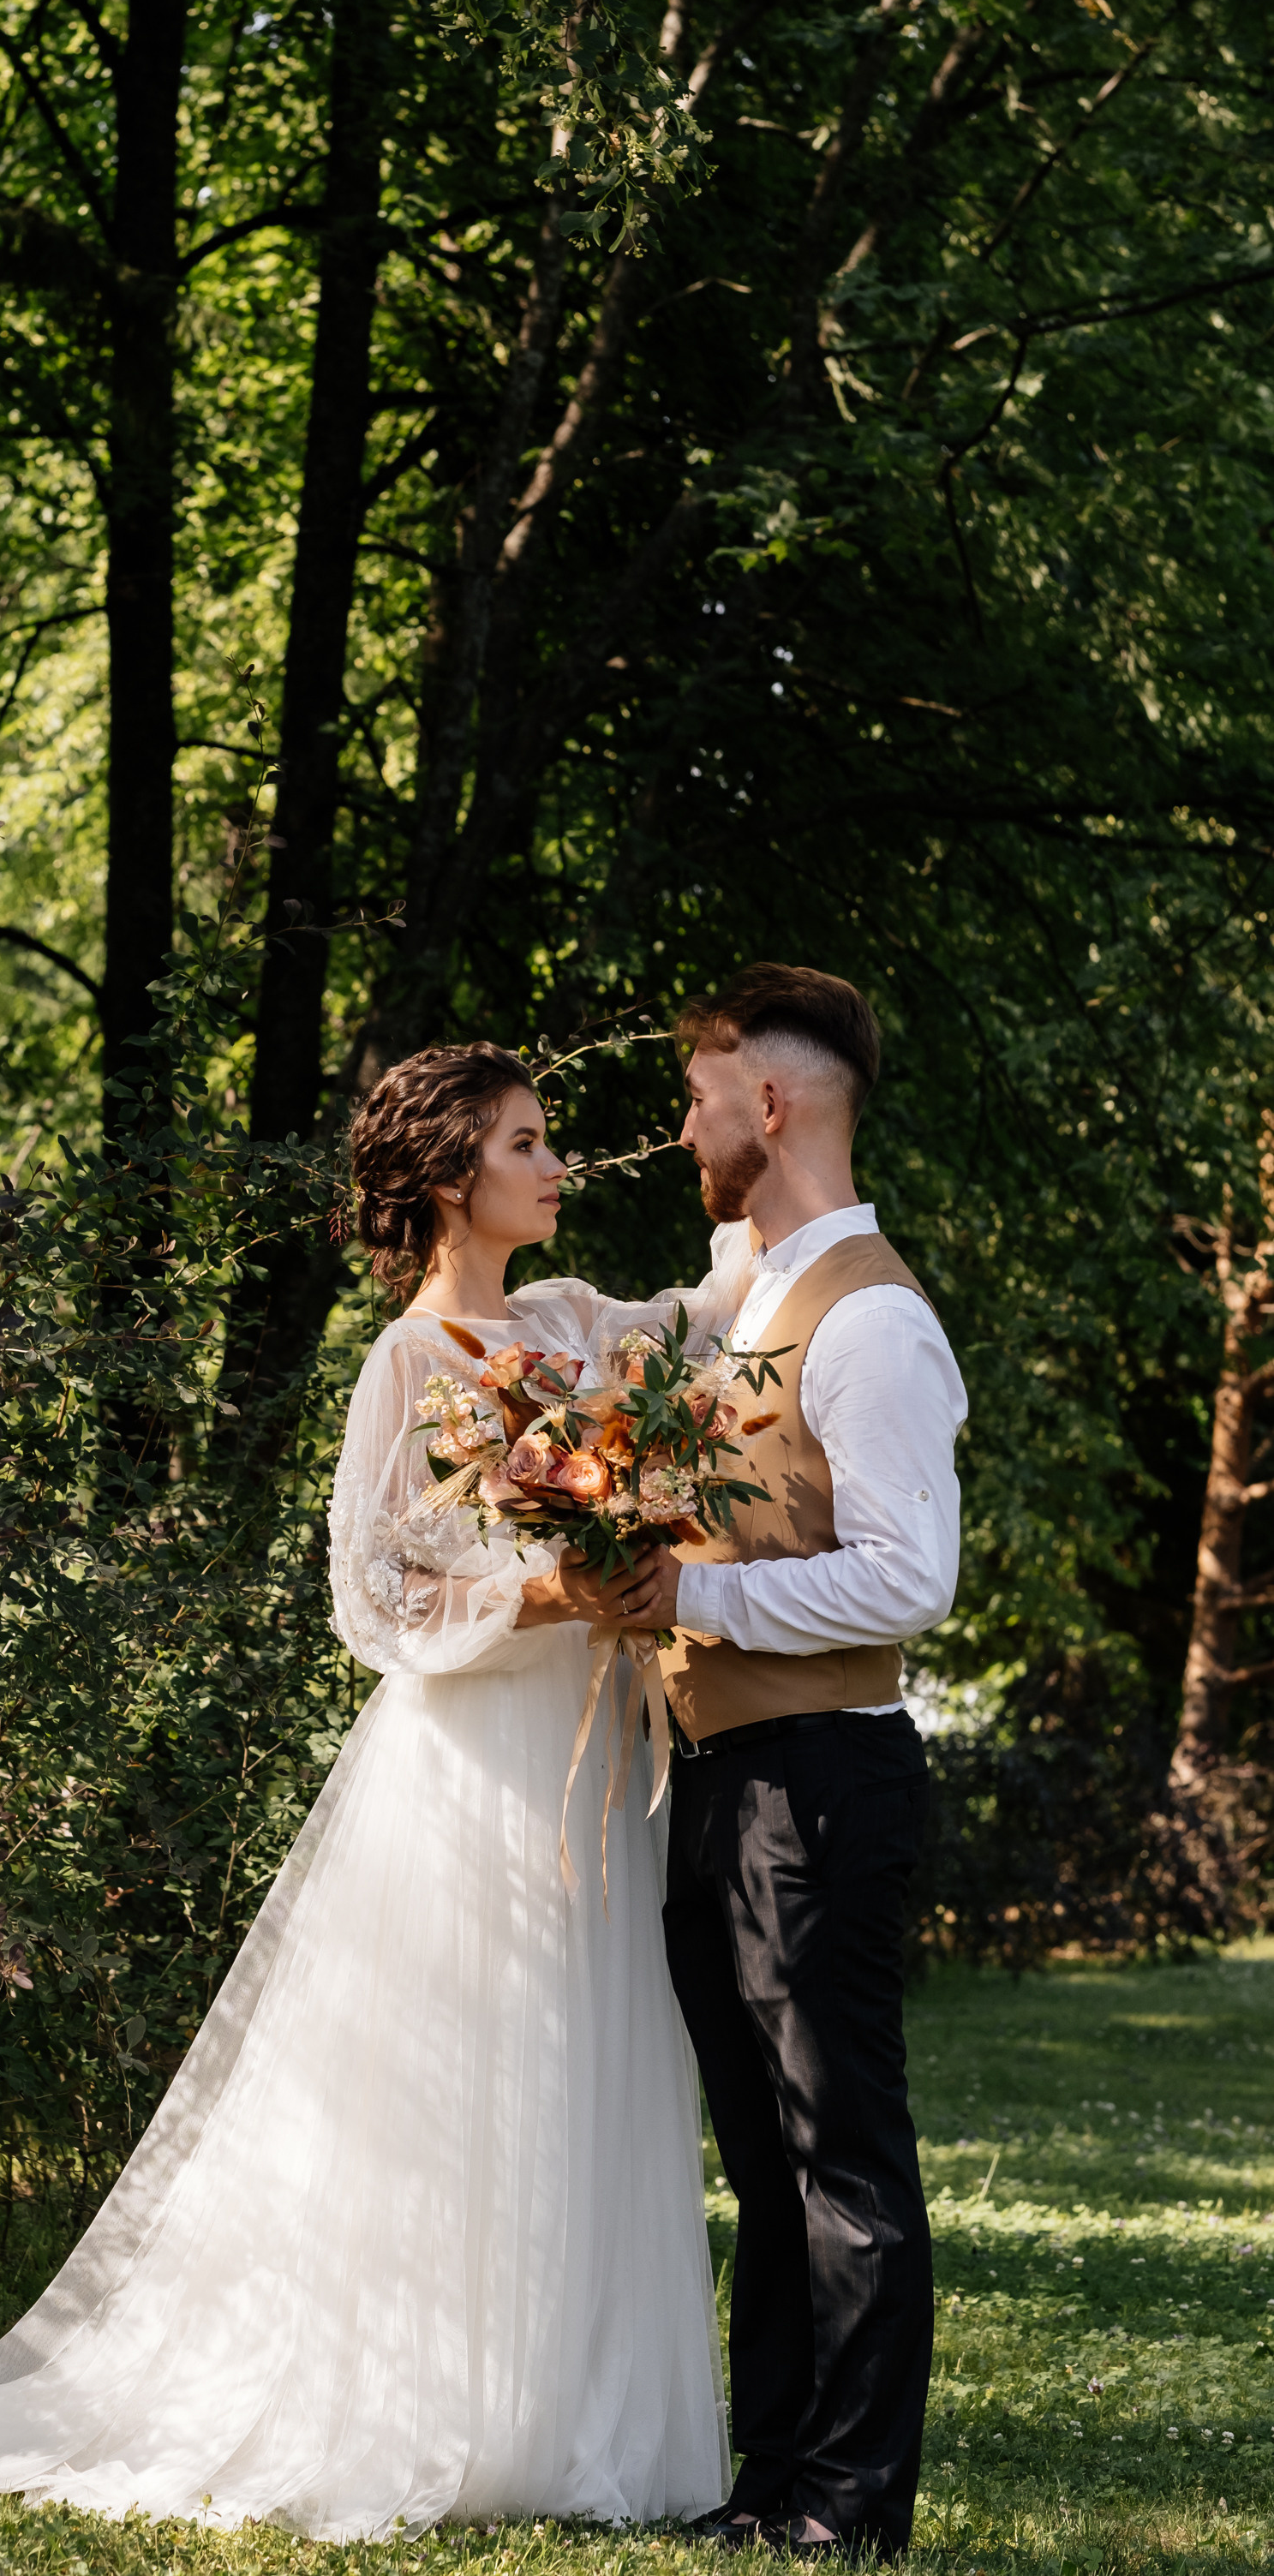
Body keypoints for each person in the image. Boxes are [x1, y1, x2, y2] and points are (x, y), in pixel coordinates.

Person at [0, 1043, 743, 2538]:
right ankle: (436, 2403)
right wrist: (548, 1591)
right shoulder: (404, 1366)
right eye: (527, 1143)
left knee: (590, 2052)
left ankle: (571, 2418)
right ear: (453, 1178)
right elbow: (372, 1603)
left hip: (594, 1755)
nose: (556, 1165)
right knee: (478, 2064)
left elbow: (707, 1322)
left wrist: (779, 1178)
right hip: (475, 1762)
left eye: (547, 1140)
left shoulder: (575, 1323)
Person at [609, 966, 966, 2564]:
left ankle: (851, 2504)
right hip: (720, 1778)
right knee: (761, 2161)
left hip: (825, 1777)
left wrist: (695, 1595)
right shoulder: (752, 1296)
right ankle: (769, 2481)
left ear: (771, 1105)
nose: (680, 1123)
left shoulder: (872, 1318)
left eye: (699, 1094)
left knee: (840, 2156)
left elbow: (909, 1576)